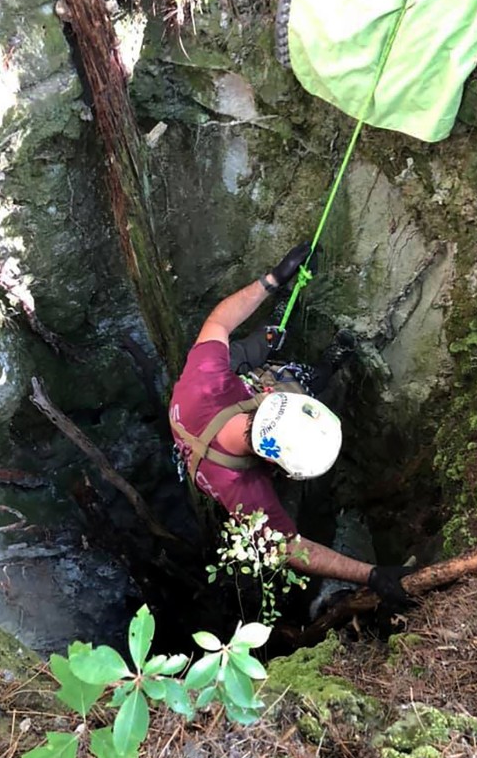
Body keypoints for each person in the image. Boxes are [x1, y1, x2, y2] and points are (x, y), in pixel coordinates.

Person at [169, 242, 411, 607]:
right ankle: (325, 367)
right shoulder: (245, 492)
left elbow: (217, 323)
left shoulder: (203, 381)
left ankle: (272, 331)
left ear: (268, 401)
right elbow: (288, 548)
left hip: (205, 406)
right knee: (304, 378)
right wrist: (370, 574)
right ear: (272, 463)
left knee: (259, 348)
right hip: (215, 429)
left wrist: (274, 278)